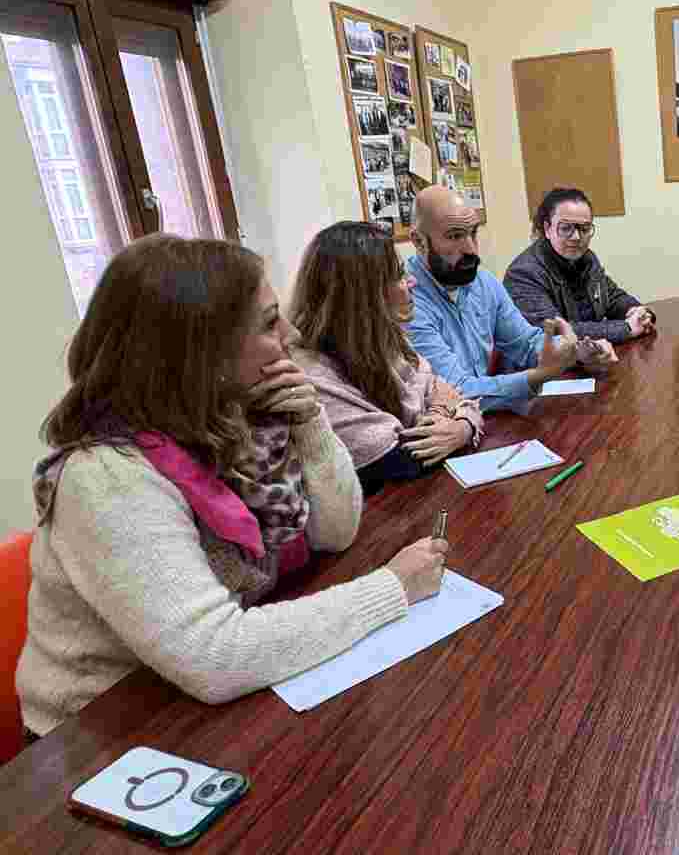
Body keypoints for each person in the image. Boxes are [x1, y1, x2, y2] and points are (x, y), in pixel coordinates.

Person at [17, 236, 448, 736]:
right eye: (268, 323)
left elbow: (336, 532)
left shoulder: (240, 420)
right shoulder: (107, 475)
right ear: (200, 352)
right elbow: (214, 654)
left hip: (194, 700)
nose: (290, 334)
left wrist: (310, 420)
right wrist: (392, 587)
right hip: (102, 736)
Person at [290, 221, 485, 498]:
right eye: (398, 275)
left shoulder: (387, 343)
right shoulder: (313, 375)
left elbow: (450, 392)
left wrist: (462, 425)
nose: (412, 282)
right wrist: (456, 420)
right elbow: (397, 460)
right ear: (362, 296)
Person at [406, 186, 616, 413]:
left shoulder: (483, 282)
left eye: (473, 233)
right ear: (419, 241)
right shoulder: (405, 302)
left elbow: (526, 343)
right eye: (454, 236)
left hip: (477, 420)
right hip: (437, 425)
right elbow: (454, 392)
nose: (471, 249)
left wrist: (576, 352)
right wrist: (537, 377)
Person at [504, 187, 655, 344]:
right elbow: (556, 332)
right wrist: (626, 328)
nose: (576, 237)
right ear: (547, 229)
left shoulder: (587, 258)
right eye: (565, 228)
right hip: (549, 359)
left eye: (584, 228)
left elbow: (611, 296)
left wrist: (636, 311)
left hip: (592, 355)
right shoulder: (523, 273)